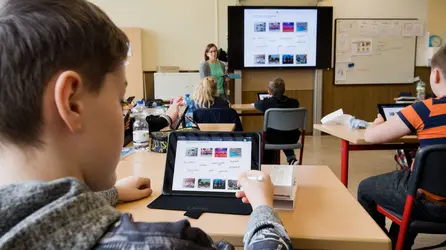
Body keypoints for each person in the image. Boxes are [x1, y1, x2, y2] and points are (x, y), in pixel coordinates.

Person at [0, 1, 293, 250]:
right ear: (72, 103)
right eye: (120, 99)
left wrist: (111, 193)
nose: (125, 112)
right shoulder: (171, 243)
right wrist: (263, 209)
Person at [359, 46, 446, 249]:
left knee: (367, 188)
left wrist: (377, 122)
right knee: (409, 187)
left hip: (429, 204)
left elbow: (370, 137)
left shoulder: (424, 109)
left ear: (436, 74)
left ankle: (384, 245)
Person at [254, 77, 301, 165]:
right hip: (292, 137)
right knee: (284, 132)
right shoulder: (294, 102)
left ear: (269, 92)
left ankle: (259, 161)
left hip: (271, 138)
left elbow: (256, 103)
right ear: (284, 90)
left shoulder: (265, 103)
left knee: (258, 135)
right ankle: (291, 158)